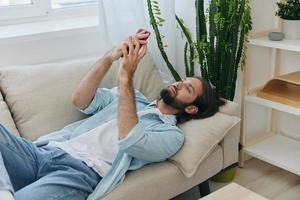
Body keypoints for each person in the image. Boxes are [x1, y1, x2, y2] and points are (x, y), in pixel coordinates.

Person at [0, 30, 225, 200]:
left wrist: (126, 76)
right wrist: (111, 57)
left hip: (78, 172)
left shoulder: (171, 135)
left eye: (188, 89)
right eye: (183, 80)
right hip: (45, 151)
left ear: (192, 109)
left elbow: (129, 138)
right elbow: (80, 100)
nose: (178, 84)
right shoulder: (133, 97)